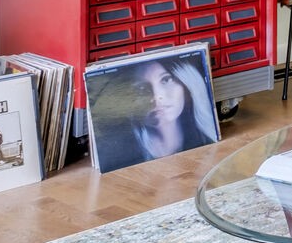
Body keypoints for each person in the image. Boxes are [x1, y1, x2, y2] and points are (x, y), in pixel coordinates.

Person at [89, 53, 218, 170]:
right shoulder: (116, 155)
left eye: (166, 80)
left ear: (187, 83)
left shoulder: (208, 141)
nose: (156, 96)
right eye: (141, 88)